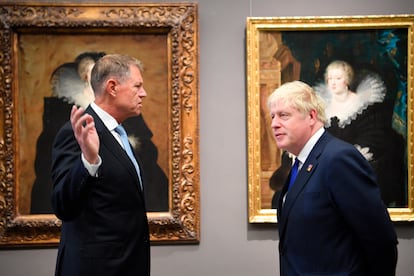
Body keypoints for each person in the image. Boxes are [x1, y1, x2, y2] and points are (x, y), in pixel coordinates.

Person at [267, 80, 398, 275]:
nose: (274, 124)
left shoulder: (339, 158)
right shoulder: (300, 163)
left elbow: (380, 240)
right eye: (272, 117)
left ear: (311, 116)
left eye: (284, 115)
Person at [51, 54, 150, 276]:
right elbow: (62, 205)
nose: (144, 93)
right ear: (112, 87)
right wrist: (88, 160)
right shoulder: (76, 132)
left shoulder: (120, 133)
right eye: (137, 86)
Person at [314, 60, 405, 207]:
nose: (333, 83)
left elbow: (373, 136)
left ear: (347, 80)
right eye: (330, 78)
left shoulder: (362, 104)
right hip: (331, 161)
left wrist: (351, 155)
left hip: (358, 161)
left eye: (338, 78)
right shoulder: (324, 107)